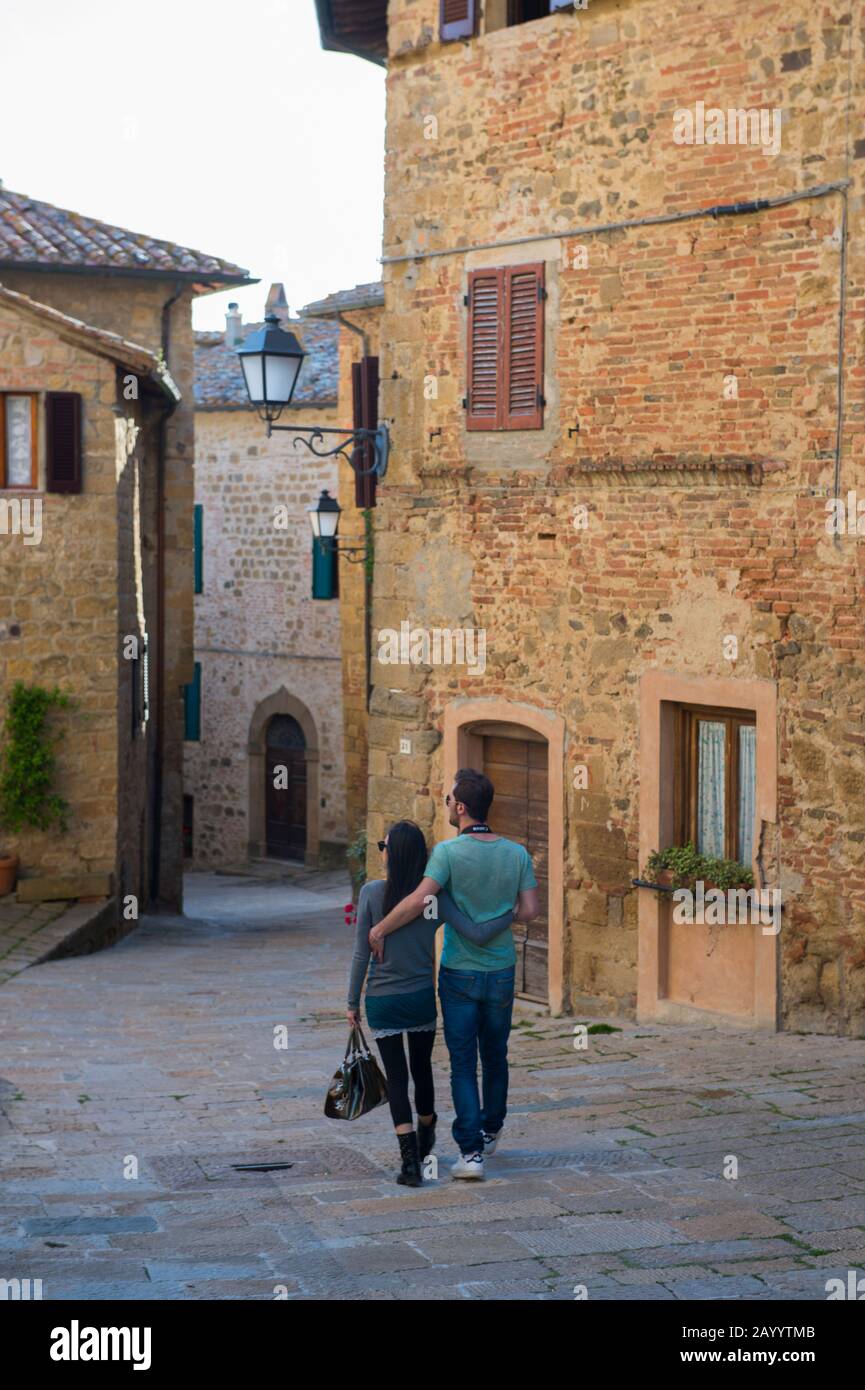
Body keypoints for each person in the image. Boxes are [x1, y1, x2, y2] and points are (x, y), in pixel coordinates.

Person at [369, 769, 538, 1181]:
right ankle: (491, 1127)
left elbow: (417, 901)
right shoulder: (517, 854)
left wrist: (380, 928)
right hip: (500, 970)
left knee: (463, 1062)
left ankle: (471, 1154)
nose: (446, 806)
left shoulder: (447, 853)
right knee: (495, 1054)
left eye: (448, 801)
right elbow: (530, 911)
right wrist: (500, 920)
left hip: (460, 973)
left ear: (460, 808)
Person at [347, 819, 515, 1187]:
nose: (382, 851)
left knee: (397, 1079)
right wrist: (510, 911)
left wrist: (351, 1002)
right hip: (421, 997)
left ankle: (410, 1164)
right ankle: (426, 1134)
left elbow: (361, 953)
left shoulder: (372, 894)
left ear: (392, 854)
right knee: (422, 1070)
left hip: (383, 999)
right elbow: (474, 931)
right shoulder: (434, 901)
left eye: (383, 845)